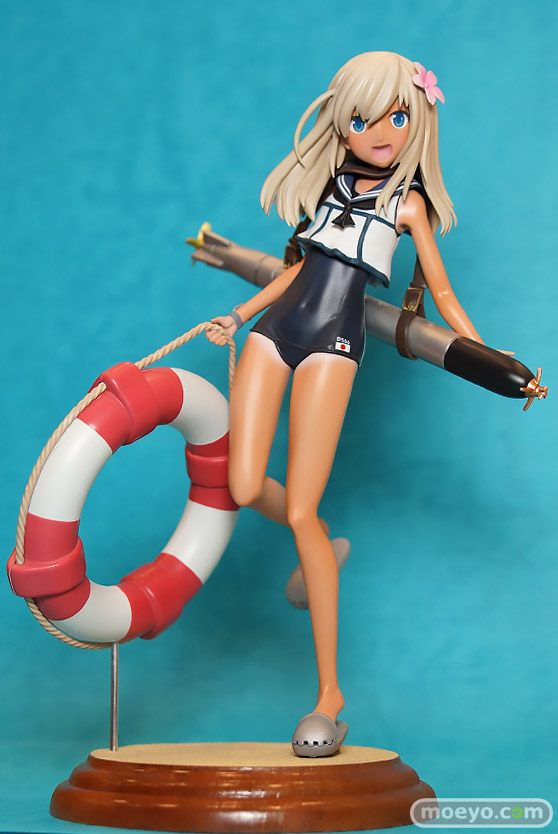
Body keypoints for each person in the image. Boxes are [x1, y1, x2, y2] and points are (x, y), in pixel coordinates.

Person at [206, 51, 483, 757]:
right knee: (242, 485)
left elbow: (442, 294)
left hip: (334, 343)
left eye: (394, 116)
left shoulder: (408, 205)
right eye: (361, 120)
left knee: (299, 509)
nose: (379, 133)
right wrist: (238, 316)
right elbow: (296, 271)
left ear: (417, 116)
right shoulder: (331, 185)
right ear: (343, 126)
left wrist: (485, 353)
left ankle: (329, 696)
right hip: (273, 332)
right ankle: (323, 545)